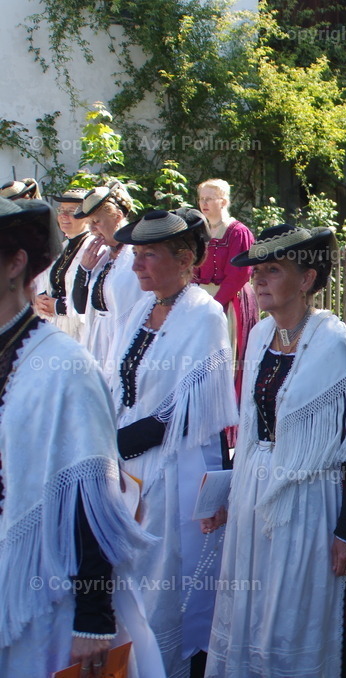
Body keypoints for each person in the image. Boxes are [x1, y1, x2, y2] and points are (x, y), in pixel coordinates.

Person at [204, 225, 346, 677]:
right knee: (256, 611)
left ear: (306, 279)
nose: (258, 280)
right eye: (257, 270)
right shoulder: (260, 336)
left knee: (301, 613)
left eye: (272, 270)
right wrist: (229, 494)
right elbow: (253, 427)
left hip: (310, 504)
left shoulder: (333, 346)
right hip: (256, 502)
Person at [0, 197, 162, 678]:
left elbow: (92, 499)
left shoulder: (64, 369)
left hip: (45, 597)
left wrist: (93, 621)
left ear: (15, 263)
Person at [110, 210, 236, 677]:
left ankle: (168, 665)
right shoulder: (143, 309)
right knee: (131, 574)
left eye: (148, 255)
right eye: (135, 255)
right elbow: (118, 381)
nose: (137, 265)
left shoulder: (202, 316)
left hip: (172, 466)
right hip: (130, 465)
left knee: (166, 576)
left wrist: (116, 441)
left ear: (185, 259)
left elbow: (188, 411)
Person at [191, 179, 259, 400]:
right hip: (201, 300)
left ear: (224, 201)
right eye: (202, 198)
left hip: (229, 302)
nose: (204, 203)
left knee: (228, 360)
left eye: (210, 198)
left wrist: (216, 304)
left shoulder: (237, 232)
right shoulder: (199, 231)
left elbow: (239, 274)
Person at [72, 182, 144, 375]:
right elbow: (80, 306)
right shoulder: (102, 257)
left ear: (117, 217)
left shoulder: (135, 256)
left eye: (97, 222)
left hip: (122, 340)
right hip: (97, 339)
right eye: (90, 224)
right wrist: (84, 270)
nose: (93, 229)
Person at [34, 188, 92, 341]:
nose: (64, 216)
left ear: (86, 216)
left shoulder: (93, 248)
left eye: (72, 211)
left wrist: (59, 306)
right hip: (56, 326)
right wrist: (41, 299)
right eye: (61, 210)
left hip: (81, 331)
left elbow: (92, 295)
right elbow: (50, 282)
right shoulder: (63, 246)